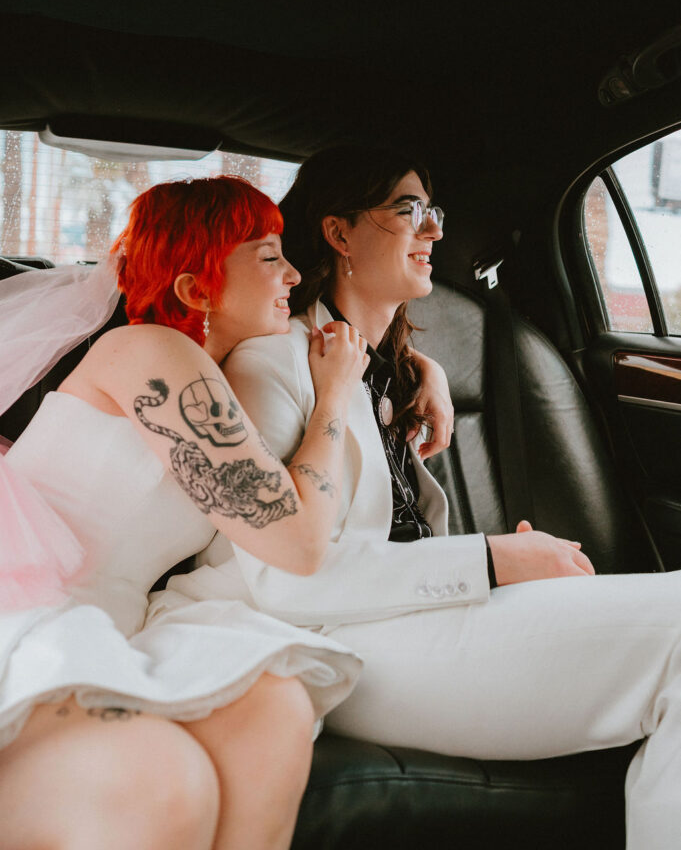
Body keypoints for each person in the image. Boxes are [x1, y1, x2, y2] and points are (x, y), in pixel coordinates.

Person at [156, 147, 681, 850]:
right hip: (329, 640)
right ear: (340, 234)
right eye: (409, 211)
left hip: (406, 614)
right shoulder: (271, 366)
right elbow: (284, 576)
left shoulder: (386, 366)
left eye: (433, 212)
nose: (434, 231)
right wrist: (494, 559)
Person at [0, 174, 368, 850]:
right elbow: (297, 543)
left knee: (271, 705)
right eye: (266, 256)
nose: (291, 272)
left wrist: (414, 374)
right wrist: (334, 400)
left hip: (113, 622)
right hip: (27, 614)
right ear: (197, 290)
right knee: (165, 778)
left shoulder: (221, 379)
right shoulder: (151, 353)